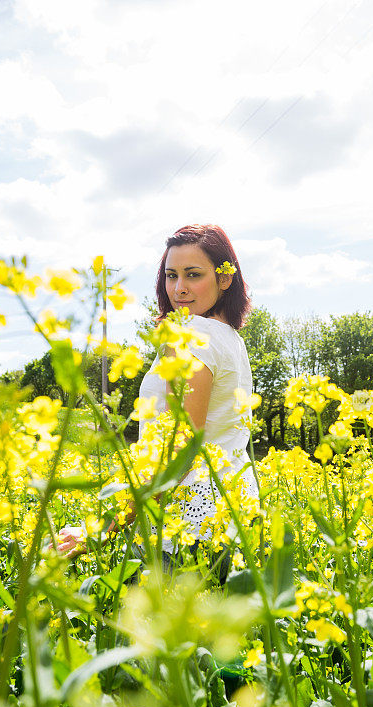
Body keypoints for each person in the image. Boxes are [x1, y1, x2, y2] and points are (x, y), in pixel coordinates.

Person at [56, 224, 258, 578]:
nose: (179, 288)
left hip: (188, 523)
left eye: (193, 275)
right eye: (171, 275)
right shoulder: (229, 339)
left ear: (225, 279)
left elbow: (176, 453)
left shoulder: (192, 337)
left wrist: (102, 528)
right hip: (231, 514)